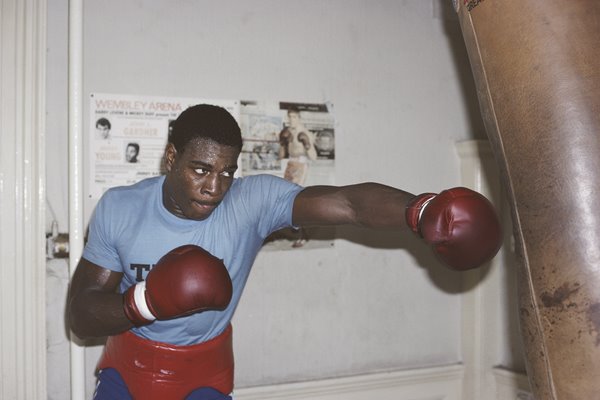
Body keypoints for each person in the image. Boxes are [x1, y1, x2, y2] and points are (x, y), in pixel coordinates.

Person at [68, 104, 502, 400]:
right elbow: (82, 316)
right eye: (200, 169)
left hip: (205, 372)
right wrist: (147, 299)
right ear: (170, 158)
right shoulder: (121, 208)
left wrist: (420, 211)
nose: (214, 188)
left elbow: (347, 204)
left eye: (226, 172)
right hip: (128, 368)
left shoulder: (250, 201)